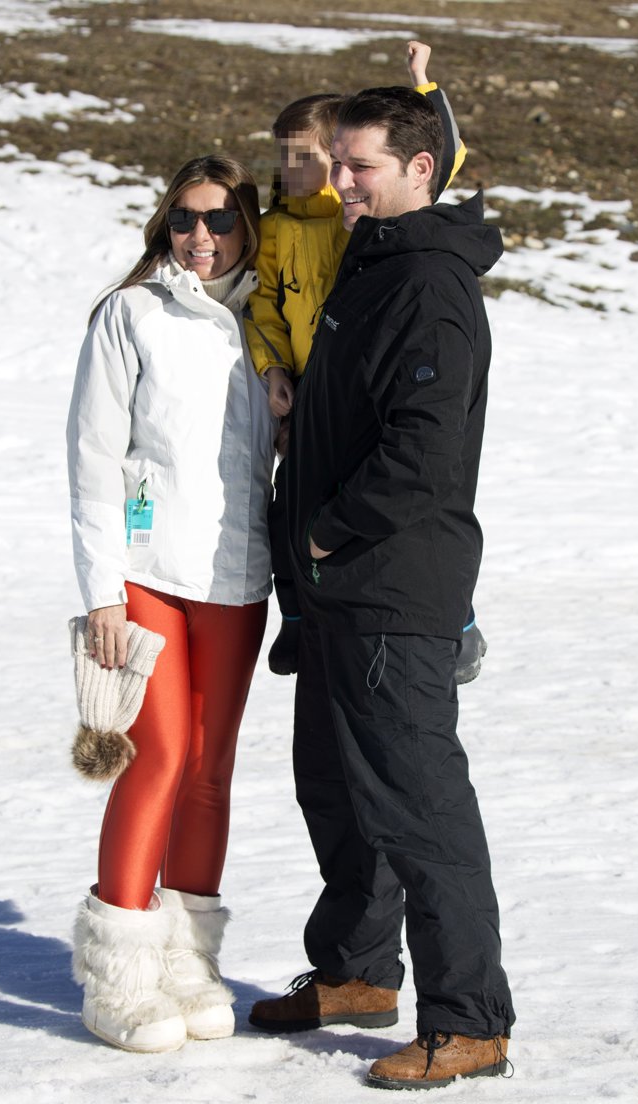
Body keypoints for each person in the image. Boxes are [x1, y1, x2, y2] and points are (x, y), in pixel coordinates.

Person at [248, 88, 516, 1090]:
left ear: (421, 169)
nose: (342, 180)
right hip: (338, 588)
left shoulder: (428, 283)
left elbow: (422, 454)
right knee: (338, 787)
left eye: (361, 166)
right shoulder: (376, 261)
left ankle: (471, 1019)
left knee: (418, 806)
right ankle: (359, 972)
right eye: (338, 161)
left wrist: (324, 528)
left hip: (393, 585)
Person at [66, 154, 275, 1053]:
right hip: (148, 572)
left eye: (220, 220)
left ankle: (188, 961)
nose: (201, 238)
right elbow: (90, 458)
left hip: (239, 576)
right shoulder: (131, 315)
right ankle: (119, 972)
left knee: (210, 768)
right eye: (185, 220)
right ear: (164, 226)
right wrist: (103, 593)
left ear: (248, 227)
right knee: (159, 756)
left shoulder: (270, 321)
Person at [246, 44, 486, 683]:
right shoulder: (274, 230)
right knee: (284, 512)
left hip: (353, 395)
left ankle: (456, 619)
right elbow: (264, 310)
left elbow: (446, 157)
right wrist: (275, 371)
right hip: (307, 388)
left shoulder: (359, 219)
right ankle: (295, 618)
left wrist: (423, 85)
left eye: (310, 158)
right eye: (284, 158)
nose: (295, 170)